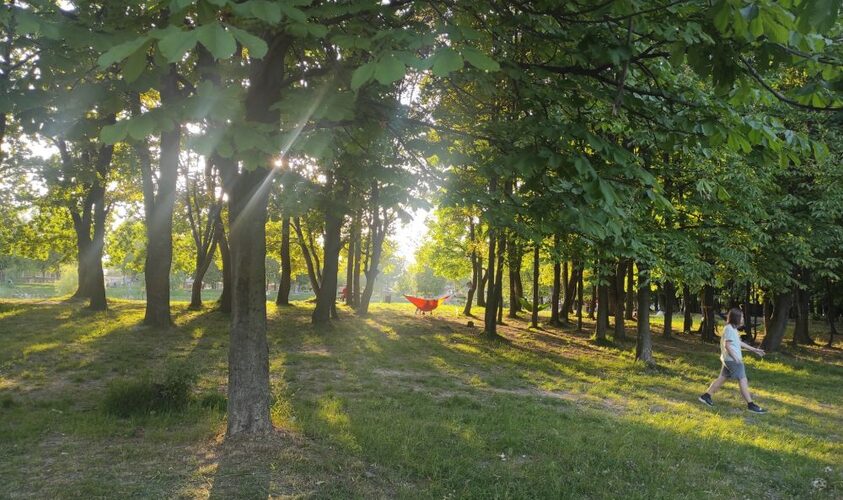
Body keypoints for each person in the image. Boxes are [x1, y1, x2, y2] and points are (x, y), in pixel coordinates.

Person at [698, 307, 768, 414]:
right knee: (743, 380)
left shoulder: (732, 329)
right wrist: (735, 358)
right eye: (742, 317)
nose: (743, 319)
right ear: (736, 318)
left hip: (728, 359)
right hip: (732, 360)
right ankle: (751, 405)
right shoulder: (729, 329)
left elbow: (739, 342)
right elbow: (727, 345)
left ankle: (706, 396)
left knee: (722, 378)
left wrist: (755, 350)